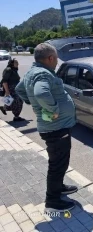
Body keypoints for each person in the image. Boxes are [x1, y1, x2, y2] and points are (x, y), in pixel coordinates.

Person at [15, 43, 78, 212]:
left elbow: (19, 89)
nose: (57, 62)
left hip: (55, 128)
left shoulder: (31, 72)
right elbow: (41, 93)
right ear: (50, 58)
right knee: (57, 164)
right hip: (56, 128)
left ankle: (59, 188)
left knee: (60, 162)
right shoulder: (42, 74)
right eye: (56, 59)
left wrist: (31, 103)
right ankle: (53, 201)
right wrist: (54, 109)